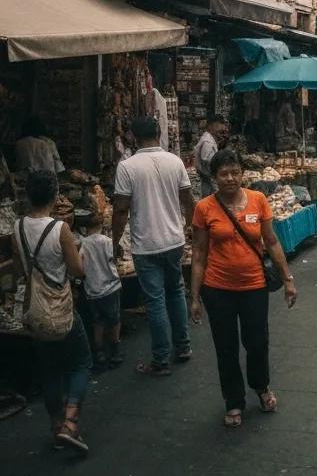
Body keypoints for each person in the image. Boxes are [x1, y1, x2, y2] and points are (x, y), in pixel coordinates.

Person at [190, 148, 297, 427]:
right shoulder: (204, 208)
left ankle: (261, 388)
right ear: (214, 177)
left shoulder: (258, 200)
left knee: (257, 342)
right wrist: (194, 297)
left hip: (254, 286)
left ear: (242, 173)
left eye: (235, 172)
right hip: (217, 288)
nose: (230, 178)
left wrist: (287, 280)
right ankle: (233, 401)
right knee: (225, 347)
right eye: (223, 174)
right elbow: (199, 253)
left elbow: (271, 242)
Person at [112, 117, 195, 377]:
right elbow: (188, 200)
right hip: (174, 239)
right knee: (176, 291)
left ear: (134, 137)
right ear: (158, 133)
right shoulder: (175, 161)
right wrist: (190, 226)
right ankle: (182, 347)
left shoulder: (127, 167)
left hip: (146, 244)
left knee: (156, 301)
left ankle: (161, 359)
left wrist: (113, 241)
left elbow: (121, 209)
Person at [14, 170, 90, 452]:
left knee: (50, 371)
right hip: (61, 308)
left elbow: (24, 270)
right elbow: (77, 271)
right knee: (81, 362)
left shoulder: (18, 228)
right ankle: (71, 424)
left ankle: (56, 425)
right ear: (55, 194)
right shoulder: (60, 230)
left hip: (35, 310)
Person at [79, 214, 123, 370]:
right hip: (110, 288)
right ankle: (115, 352)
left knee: (98, 322)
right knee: (114, 320)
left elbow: (80, 266)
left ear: (86, 229)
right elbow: (116, 256)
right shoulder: (107, 241)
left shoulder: (83, 245)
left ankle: (100, 353)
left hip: (92, 290)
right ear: (102, 226)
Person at [194, 115, 229, 197]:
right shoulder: (207, 142)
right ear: (210, 126)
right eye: (217, 126)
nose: (220, 129)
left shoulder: (210, 139)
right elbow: (208, 160)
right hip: (207, 178)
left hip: (207, 177)